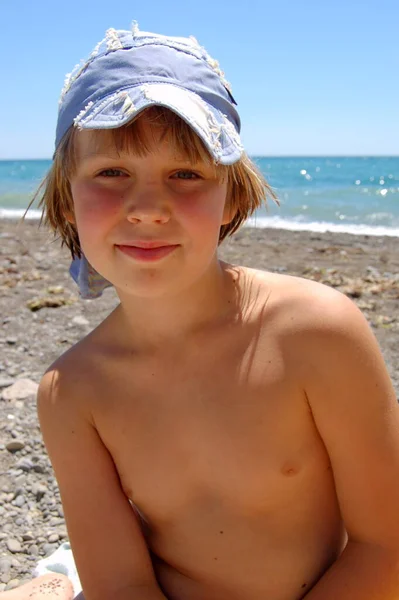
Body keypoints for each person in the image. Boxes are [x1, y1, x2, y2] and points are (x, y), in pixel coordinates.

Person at [4, 20, 399, 600]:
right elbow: (123, 586)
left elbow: (385, 546)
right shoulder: (73, 391)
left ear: (231, 196)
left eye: (186, 174)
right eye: (112, 172)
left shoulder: (315, 334)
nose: (146, 207)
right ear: (67, 199)